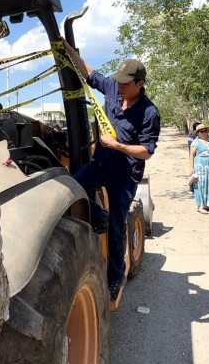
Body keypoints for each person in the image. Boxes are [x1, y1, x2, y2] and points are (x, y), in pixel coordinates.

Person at [61, 40, 161, 300]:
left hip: (124, 175)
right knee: (72, 188)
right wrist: (67, 47)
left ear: (140, 84)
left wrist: (117, 145)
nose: (120, 86)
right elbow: (89, 72)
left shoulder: (149, 112)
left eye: (126, 83)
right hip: (101, 163)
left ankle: (116, 277)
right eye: (119, 81)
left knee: (117, 228)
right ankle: (99, 216)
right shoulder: (113, 89)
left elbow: (147, 151)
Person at [188, 123, 209, 213]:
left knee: (208, 184)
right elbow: (191, 155)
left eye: (205, 131)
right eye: (202, 131)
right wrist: (191, 168)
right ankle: (200, 206)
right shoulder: (195, 142)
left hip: (208, 167)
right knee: (199, 185)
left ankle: (207, 205)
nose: (204, 133)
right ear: (198, 133)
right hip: (199, 166)